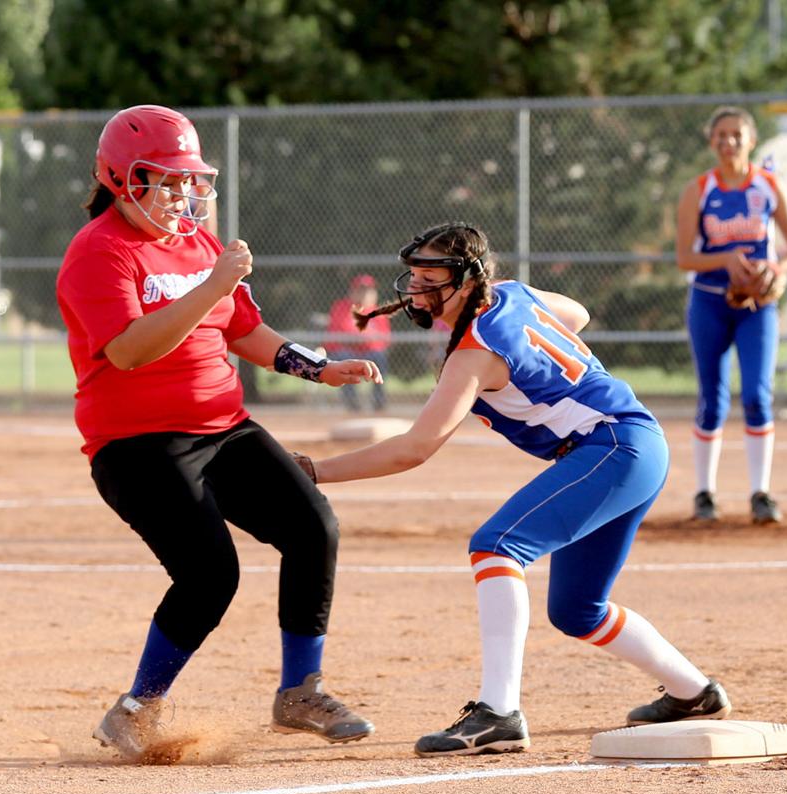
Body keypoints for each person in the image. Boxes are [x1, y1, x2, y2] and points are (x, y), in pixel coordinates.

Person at [296, 222, 732, 758]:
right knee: (577, 611)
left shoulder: (473, 355)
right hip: (629, 445)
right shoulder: (513, 294)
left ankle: (498, 712)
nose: (415, 289)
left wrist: (314, 471)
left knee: (496, 545)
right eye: (413, 275)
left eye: (431, 277)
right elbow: (575, 314)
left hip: (613, 447)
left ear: (467, 281)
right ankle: (695, 692)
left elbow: (414, 448)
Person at [55, 105, 383, 760]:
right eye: (164, 180)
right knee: (210, 574)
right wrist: (210, 287)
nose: (180, 194)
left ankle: (299, 689)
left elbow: (243, 332)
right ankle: (135, 708)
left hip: (222, 425)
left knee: (312, 526)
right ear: (121, 177)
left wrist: (317, 368)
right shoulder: (98, 251)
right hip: (138, 443)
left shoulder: (198, 244)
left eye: (186, 180)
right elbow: (128, 351)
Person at [674, 106, 787, 524]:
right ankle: (704, 493)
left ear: (751, 140)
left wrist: (776, 270)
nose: (729, 141)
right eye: (721, 134)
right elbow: (684, 258)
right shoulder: (700, 189)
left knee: (756, 395)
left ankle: (760, 492)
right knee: (712, 400)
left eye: (737, 134)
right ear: (711, 140)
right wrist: (725, 258)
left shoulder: (767, 185)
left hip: (758, 306)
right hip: (711, 301)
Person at [325, 273, 391, 412]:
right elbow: (340, 333)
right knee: (343, 357)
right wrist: (365, 337)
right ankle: (352, 403)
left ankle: (379, 402)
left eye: (368, 290)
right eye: (361, 290)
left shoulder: (377, 311)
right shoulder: (342, 307)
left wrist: (362, 338)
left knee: (380, 357)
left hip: (369, 352)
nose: (365, 294)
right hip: (346, 351)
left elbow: (385, 339)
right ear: (352, 292)